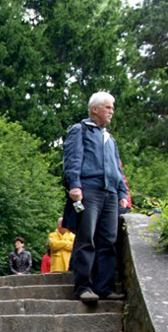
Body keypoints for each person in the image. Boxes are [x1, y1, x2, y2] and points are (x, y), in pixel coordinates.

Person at [63, 92, 128, 302]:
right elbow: (72, 159)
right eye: (108, 107)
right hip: (89, 189)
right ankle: (83, 287)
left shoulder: (111, 139)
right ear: (95, 109)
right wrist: (74, 185)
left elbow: (117, 168)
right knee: (86, 239)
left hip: (110, 193)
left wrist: (122, 193)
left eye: (113, 108)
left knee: (108, 241)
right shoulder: (80, 130)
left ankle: (105, 288)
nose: (112, 111)